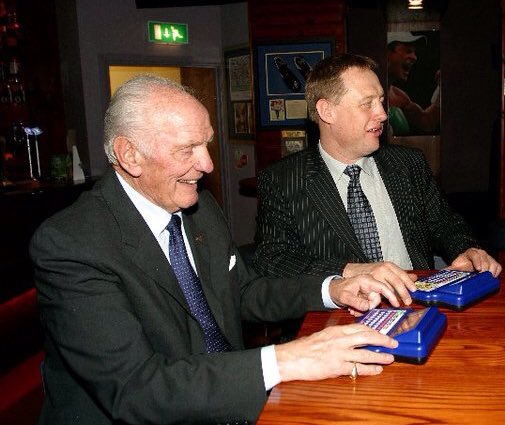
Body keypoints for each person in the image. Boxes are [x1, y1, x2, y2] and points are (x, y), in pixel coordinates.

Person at [29, 75, 414, 424]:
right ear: (129, 154)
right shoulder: (71, 244)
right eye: (187, 149)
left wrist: (332, 289)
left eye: (207, 143)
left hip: (225, 395)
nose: (208, 164)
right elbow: (137, 390)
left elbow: (242, 293)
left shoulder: (197, 207)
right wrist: (287, 359)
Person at [253, 53, 501, 290]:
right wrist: (350, 271)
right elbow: (273, 259)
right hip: (337, 323)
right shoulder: (282, 180)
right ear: (327, 111)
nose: (382, 114)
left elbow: (445, 225)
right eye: (367, 104)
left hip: (416, 305)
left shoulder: (408, 164)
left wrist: (467, 249)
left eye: (381, 101)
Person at [386, 31, 441, 135]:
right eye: (408, 51)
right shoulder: (360, 91)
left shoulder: (399, 97)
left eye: (414, 53)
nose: (414, 57)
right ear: (387, 53)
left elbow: (427, 122)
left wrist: (441, 87)